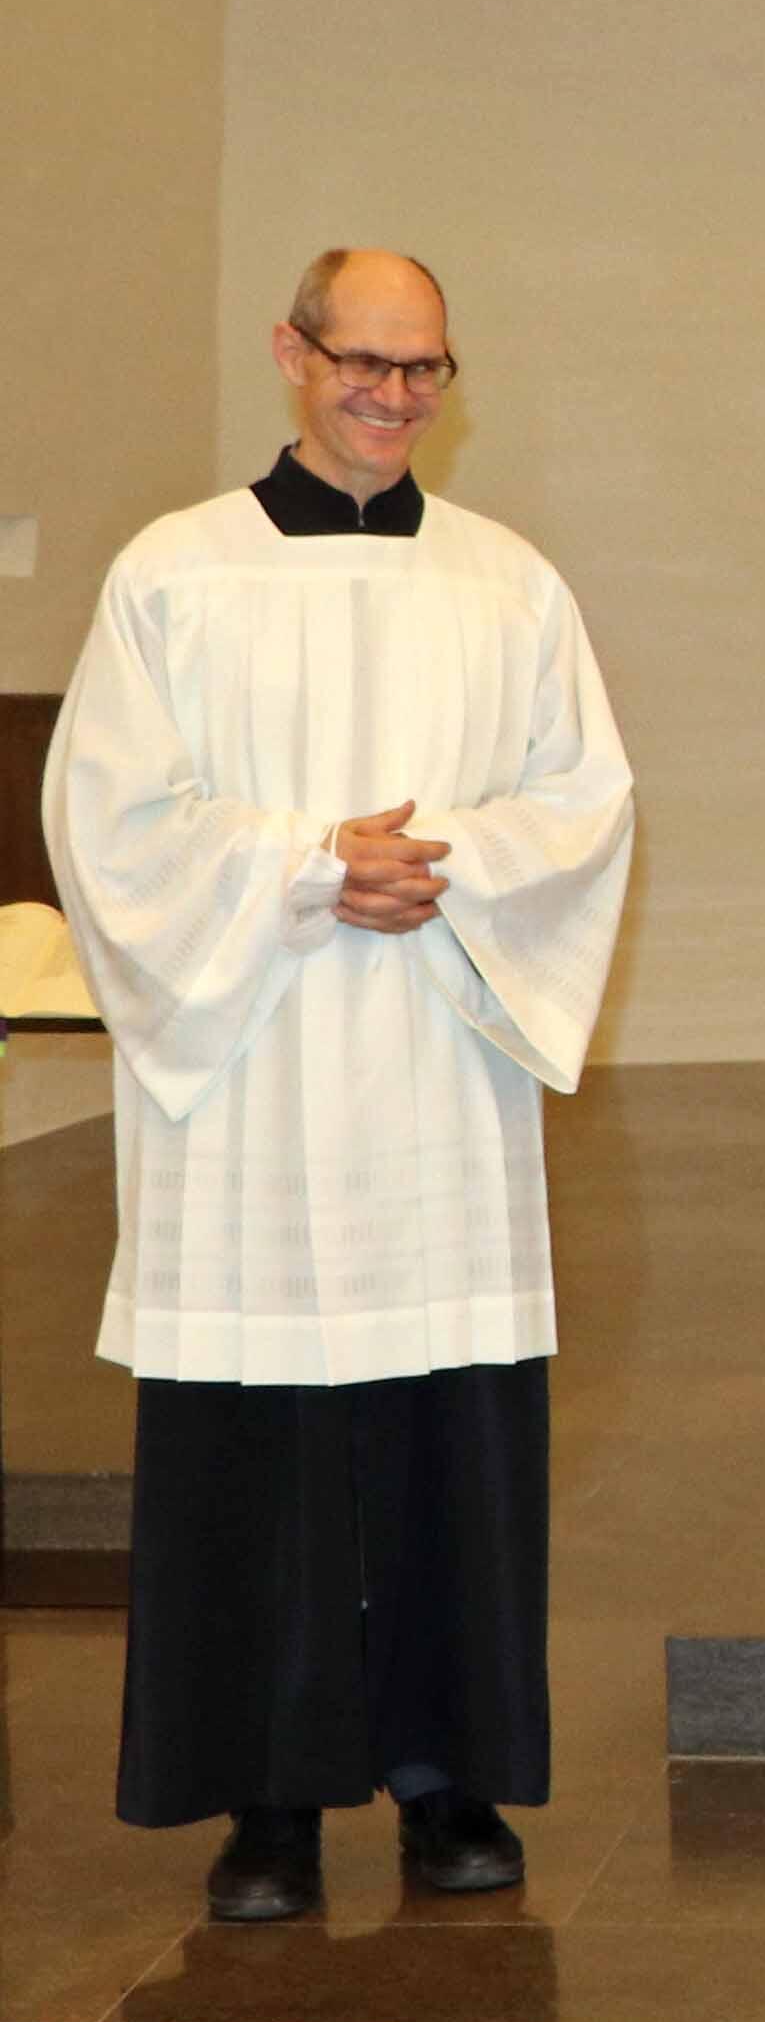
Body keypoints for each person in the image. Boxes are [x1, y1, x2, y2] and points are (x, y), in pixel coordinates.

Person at [44, 249, 634, 1921]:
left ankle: (450, 1787)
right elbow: (113, 820)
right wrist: (312, 865)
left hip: (437, 1061)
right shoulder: (176, 573)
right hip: (255, 1072)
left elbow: (582, 803)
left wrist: (428, 865)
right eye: (362, 362)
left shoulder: (509, 583)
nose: (391, 396)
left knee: (445, 1426)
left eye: (423, 368)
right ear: (291, 356)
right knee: (262, 1447)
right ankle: (271, 1801)